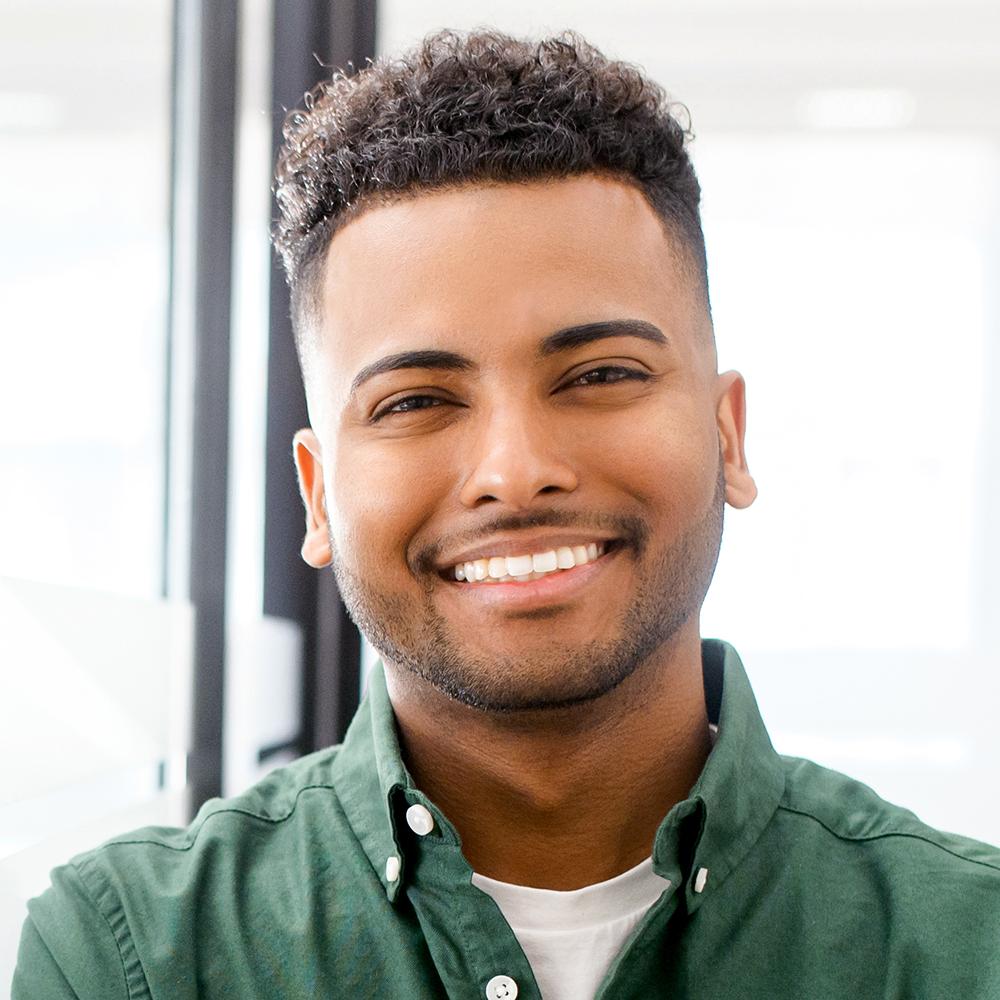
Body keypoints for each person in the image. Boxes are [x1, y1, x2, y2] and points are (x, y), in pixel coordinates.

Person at [13, 29, 1000, 1000]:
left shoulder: (968, 946)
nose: (515, 474)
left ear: (727, 434)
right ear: (318, 496)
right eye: (414, 401)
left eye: (600, 374)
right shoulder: (132, 954)